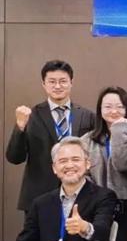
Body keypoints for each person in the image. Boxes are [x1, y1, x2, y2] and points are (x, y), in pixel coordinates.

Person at [6, 60, 96, 212]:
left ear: (71, 82)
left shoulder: (87, 116)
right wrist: (20, 127)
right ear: (44, 84)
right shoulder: (32, 115)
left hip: (79, 195)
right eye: (52, 82)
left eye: (63, 81)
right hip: (39, 195)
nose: (58, 86)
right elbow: (15, 158)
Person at [81, 87, 127, 241]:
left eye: (119, 106)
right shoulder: (87, 140)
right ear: (100, 110)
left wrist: (119, 130)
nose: (114, 111)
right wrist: (96, 194)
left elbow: (122, 164)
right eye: (108, 106)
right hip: (97, 205)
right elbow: (83, 174)